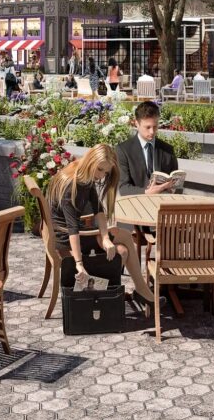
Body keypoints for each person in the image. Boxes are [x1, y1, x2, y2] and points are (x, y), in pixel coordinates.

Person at [47, 144, 154, 305]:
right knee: (123, 239)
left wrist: (105, 237)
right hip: (65, 238)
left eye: (106, 172)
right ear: (91, 162)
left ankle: (121, 293)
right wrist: (79, 263)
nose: (102, 176)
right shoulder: (71, 185)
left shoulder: (83, 173)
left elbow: (99, 210)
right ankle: (136, 292)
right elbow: (72, 230)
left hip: (77, 231)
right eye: (100, 170)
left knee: (122, 246)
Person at [115, 101, 178, 195]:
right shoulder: (123, 150)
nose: (152, 132)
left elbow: (176, 184)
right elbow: (123, 188)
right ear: (136, 123)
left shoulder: (168, 150)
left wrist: (173, 188)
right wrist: (146, 192)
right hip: (136, 205)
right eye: (147, 127)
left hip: (163, 203)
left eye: (155, 126)